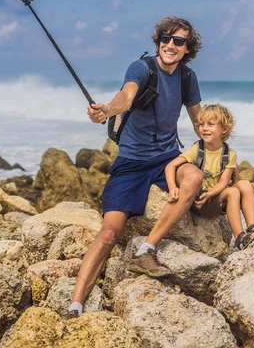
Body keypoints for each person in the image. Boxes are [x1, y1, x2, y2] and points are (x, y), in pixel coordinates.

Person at [64, 17, 204, 319]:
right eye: (166, 38)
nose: (171, 45)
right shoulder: (141, 68)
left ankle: (146, 250)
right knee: (109, 233)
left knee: (194, 176)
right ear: (159, 41)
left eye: (179, 41)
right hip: (130, 163)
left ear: (187, 48)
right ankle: (75, 304)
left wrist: (220, 151)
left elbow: (198, 121)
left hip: (167, 158)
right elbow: (126, 97)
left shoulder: (187, 78)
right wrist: (106, 110)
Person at [164, 104, 254, 250]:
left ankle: (252, 228)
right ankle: (240, 237)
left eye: (210, 124)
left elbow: (222, 183)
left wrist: (211, 193)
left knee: (245, 184)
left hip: (213, 197)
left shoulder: (229, 154)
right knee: (233, 191)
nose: (204, 128)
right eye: (202, 124)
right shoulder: (198, 149)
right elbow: (170, 166)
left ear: (224, 129)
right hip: (200, 202)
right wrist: (172, 188)